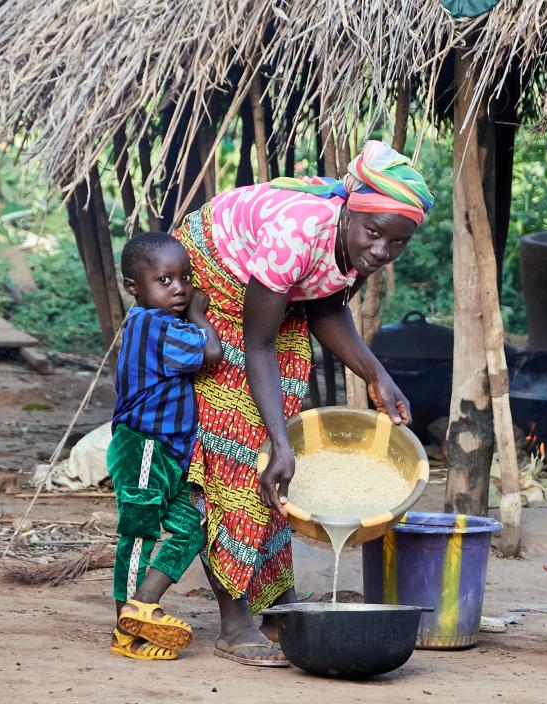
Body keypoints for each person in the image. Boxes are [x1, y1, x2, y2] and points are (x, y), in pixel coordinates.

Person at [173, 140, 433, 667]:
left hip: (272, 295)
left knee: (284, 452)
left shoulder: (357, 249)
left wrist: (377, 376)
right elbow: (258, 345)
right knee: (243, 456)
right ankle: (233, 619)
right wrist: (274, 441)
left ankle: (274, 602)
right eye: (375, 232)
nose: (382, 250)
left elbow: (324, 308)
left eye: (397, 243)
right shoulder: (297, 234)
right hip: (215, 285)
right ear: (349, 211)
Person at [107, 231, 223, 660]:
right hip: (145, 449)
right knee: (138, 533)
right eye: (165, 280)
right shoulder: (155, 325)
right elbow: (211, 352)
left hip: (169, 454)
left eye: (185, 278)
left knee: (195, 526)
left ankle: (142, 605)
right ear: (134, 288)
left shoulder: (156, 322)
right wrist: (199, 314)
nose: (180, 288)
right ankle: (126, 631)